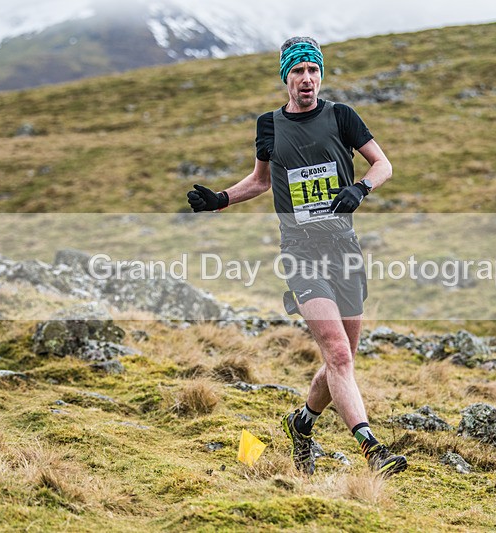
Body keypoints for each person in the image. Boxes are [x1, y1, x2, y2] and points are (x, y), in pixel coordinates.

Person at [187, 36, 407, 478]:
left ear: (320, 75)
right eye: (298, 71)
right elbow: (261, 180)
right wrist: (220, 199)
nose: (306, 79)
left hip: (344, 250)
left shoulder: (341, 116)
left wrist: (360, 188)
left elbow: (383, 165)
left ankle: (301, 424)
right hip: (301, 253)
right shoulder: (270, 125)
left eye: (313, 71)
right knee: (339, 356)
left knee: (340, 361)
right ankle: (372, 449)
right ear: (286, 77)